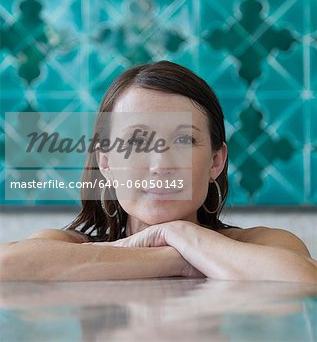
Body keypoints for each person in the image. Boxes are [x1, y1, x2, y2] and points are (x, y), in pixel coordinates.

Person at [0, 60, 316, 282]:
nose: (160, 165)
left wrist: (180, 233)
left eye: (184, 139)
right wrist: (174, 254)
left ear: (216, 161)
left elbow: (303, 277)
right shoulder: (65, 245)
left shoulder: (261, 244)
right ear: (106, 163)